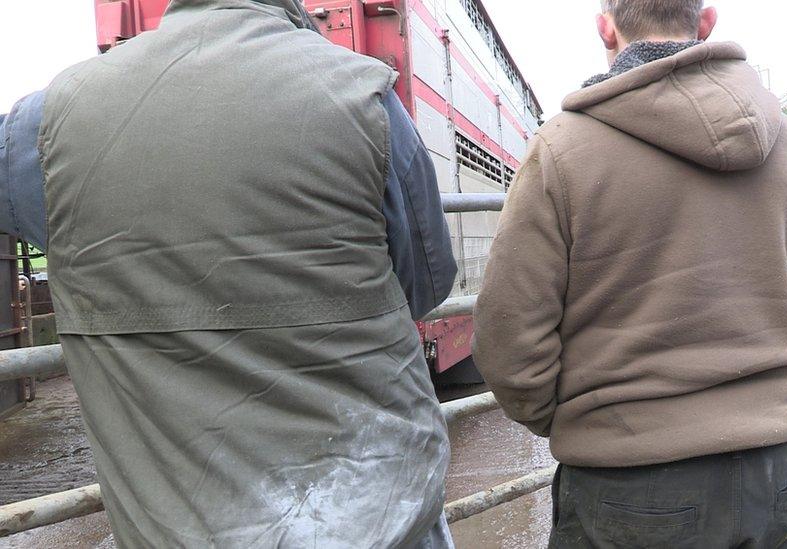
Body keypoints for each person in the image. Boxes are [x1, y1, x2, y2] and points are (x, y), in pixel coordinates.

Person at [0, 0, 457, 546]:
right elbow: (425, 285)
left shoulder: (45, 121)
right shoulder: (366, 96)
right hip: (381, 518)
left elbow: (57, 237)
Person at [473, 1, 787, 547]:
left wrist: (579, 419)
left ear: (605, 27)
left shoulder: (563, 150)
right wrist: (756, 395)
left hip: (626, 482)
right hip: (773, 481)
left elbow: (510, 337)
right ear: (706, 23)